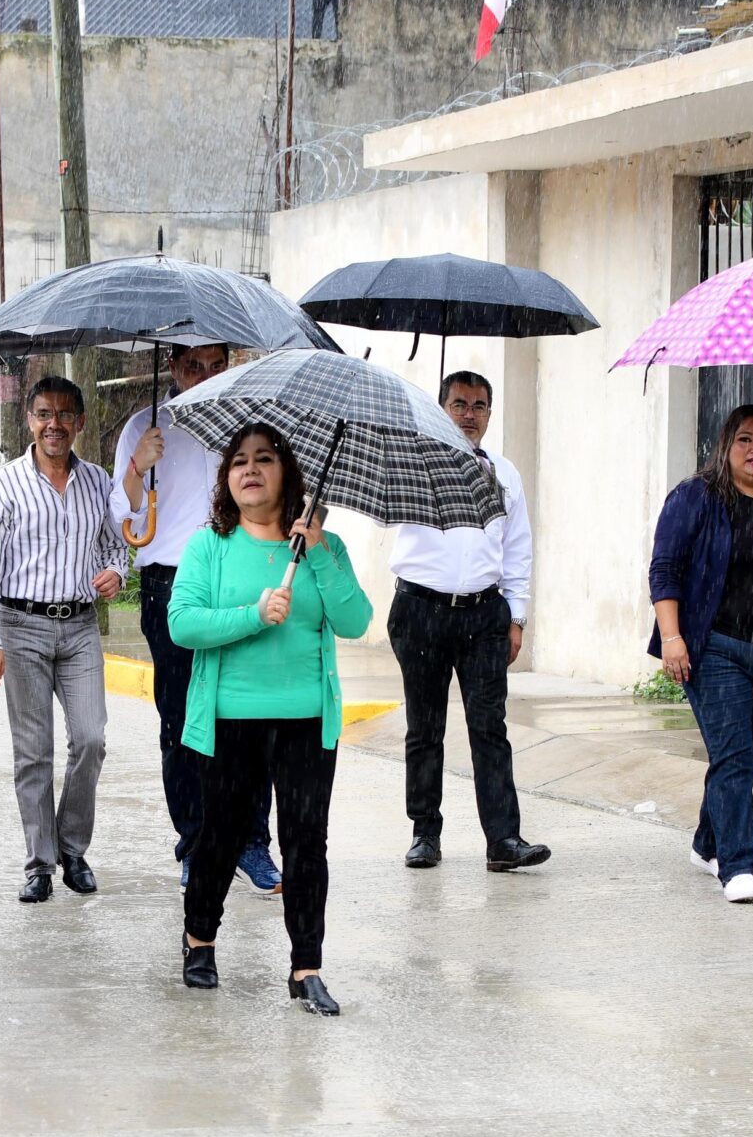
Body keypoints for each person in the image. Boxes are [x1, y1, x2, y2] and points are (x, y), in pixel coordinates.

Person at [168, 423, 372, 1016]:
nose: (250, 470)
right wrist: (253, 614)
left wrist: (323, 554)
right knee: (221, 838)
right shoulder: (210, 546)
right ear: (226, 480)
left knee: (306, 843)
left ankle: (306, 966)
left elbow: (355, 621)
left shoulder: (318, 549)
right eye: (238, 462)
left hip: (307, 720)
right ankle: (199, 939)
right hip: (231, 719)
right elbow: (184, 624)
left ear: (288, 473)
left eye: (264, 459)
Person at [112, 342, 281, 896]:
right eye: (191, 366)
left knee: (249, 717)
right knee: (182, 720)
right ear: (171, 365)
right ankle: (196, 842)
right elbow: (123, 518)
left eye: (215, 365)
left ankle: (252, 843)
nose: (204, 376)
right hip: (171, 583)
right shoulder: (144, 426)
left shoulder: (250, 426)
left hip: (237, 579)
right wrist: (140, 464)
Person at [647, 403, 753, 906]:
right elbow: (665, 569)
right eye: (745, 439)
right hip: (715, 645)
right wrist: (673, 637)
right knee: (734, 755)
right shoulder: (696, 496)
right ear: (726, 445)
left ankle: (707, 843)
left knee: (747, 750)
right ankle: (738, 866)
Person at [0, 374, 132, 902]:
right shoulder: (4, 484)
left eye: (65, 414)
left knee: (91, 739)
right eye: (44, 413)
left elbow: (116, 547)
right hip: (22, 628)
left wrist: (117, 573)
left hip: (81, 625)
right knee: (33, 751)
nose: (54, 424)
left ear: (80, 422)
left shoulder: (100, 482)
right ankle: (41, 862)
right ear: (29, 420)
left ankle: (74, 849)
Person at [387, 370, 549, 873]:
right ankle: (424, 834)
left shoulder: (503, 472)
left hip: (483, 614)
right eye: (459, 404)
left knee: (489, 726)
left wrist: (516, 615)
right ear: (441, 408)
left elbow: (518, 547)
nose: (469, 414)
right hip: (419, 611)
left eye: (479, 405)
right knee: (424, 727)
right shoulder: (412, 462)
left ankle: (503, 839)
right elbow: (390, 511)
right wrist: (431, 463)